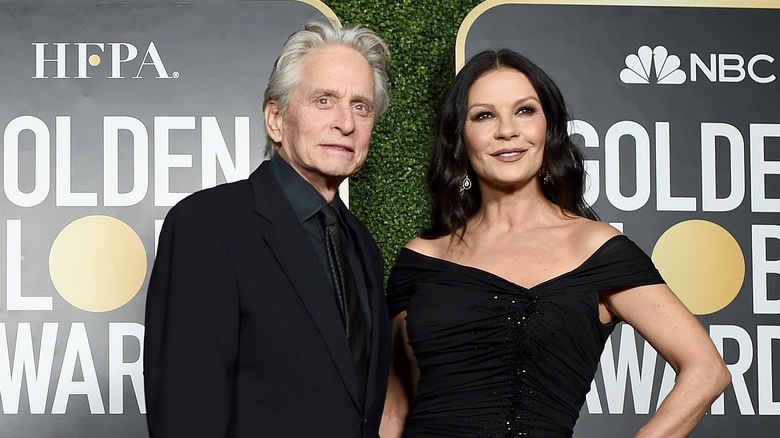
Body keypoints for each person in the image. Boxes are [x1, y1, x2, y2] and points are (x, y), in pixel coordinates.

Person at [380, 49, 730, 437]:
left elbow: (707, 370)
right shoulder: (423, 258)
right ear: (460, 137)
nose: (507, 130)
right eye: (484, 115)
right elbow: (396, 410)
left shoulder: (595, 249)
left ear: (548, 128)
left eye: (525, 111)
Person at [144, 21, 392, 437]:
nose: (346, 122)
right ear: (276, 119)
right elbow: (185, 414)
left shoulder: (362, 246)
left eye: (361, 106)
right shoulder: (206, 226)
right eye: (324, 100)